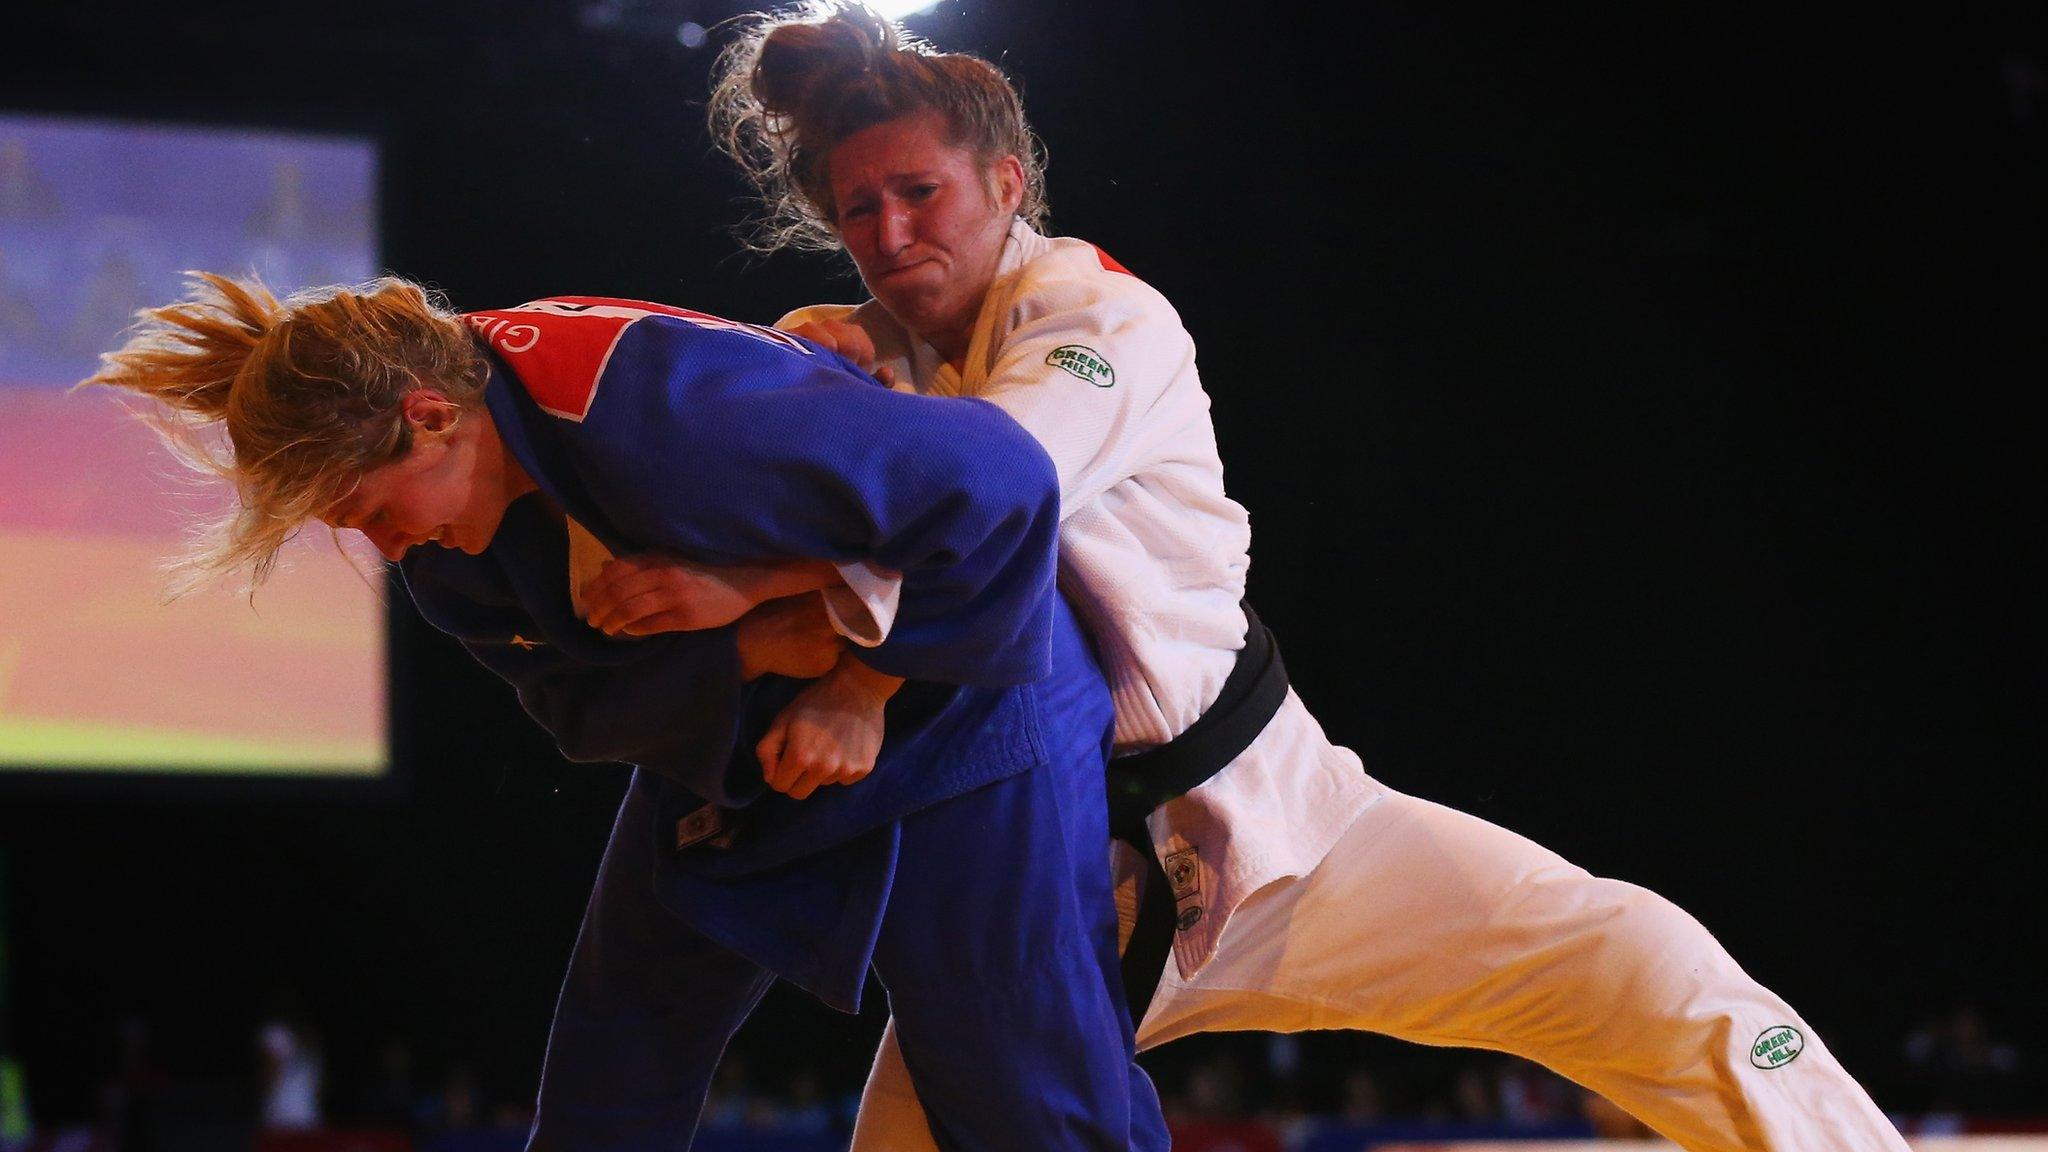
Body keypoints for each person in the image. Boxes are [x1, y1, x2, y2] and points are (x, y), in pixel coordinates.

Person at [583, 5, 1921, 1150]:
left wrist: (769, 592)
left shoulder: (1097, 315)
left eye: (919, 192)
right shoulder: (850, 356)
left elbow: (997, 487)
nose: (889, 232)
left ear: (1005, 184)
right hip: (1040, 890)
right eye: (858, 208)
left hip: (1285, 830)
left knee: (1649, 968)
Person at [85, 275, 1167, 1152]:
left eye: (369, 510)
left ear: (429, 419)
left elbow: (1003, 486)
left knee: (1024, 1095)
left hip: (963, 690)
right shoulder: (451, 561)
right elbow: (579, 710)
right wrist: (750, 639)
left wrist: (855, 686)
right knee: (612, 1072)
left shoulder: (656, 400)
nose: (382, 544)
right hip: (744, 722)